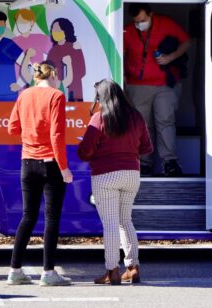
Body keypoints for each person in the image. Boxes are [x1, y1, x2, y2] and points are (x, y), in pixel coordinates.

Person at [78, 79, 152, 285]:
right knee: (125, 221)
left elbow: (85, 152)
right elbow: (147, 148)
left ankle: (112, 271)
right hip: (132, 174)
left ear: (101, 98)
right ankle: (133, 267)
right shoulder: (136, 117)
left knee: (110, 224)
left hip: (106, 176)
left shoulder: (99, 118)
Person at [6, 61, 74, 287]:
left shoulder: (24, 95)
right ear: (53, 74)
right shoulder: (57, 96)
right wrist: (64, 167)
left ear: (36, 76)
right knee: (51, 218)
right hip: (50, 163)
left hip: (27, 162)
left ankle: (15, 271)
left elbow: (12, 128)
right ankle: (48, 273)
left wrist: (31, 131)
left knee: (28, 216)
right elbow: (57, 134)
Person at [124, 3, 190, 176]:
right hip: (137, 86)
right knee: (143, 125)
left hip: (164, 85)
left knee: (165, 121)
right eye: (136, 22)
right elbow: (120, 53)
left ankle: (170, 162)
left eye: (143, 20)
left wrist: (171, 57)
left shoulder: (166, 23)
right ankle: (144, 163)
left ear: (151, 14)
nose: (140, 25)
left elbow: (186, 41)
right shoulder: (128, 31)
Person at [46, 18, 86, 101]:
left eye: (57, 29)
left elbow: (82, 71)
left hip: (75, 93)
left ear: (65, 31)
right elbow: (48, 72)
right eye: (53, 29)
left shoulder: (75, 47)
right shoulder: (53, 51)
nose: (54, 32)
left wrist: (69, 67)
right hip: (57, 92)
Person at [12, 9, 52, 84]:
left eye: (23, 22)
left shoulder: (41, 38)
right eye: (18, 22)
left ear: (32, 22)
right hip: (18, 80)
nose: (20, 25)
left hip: (38, 81)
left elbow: (54, 47)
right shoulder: (13, 41)